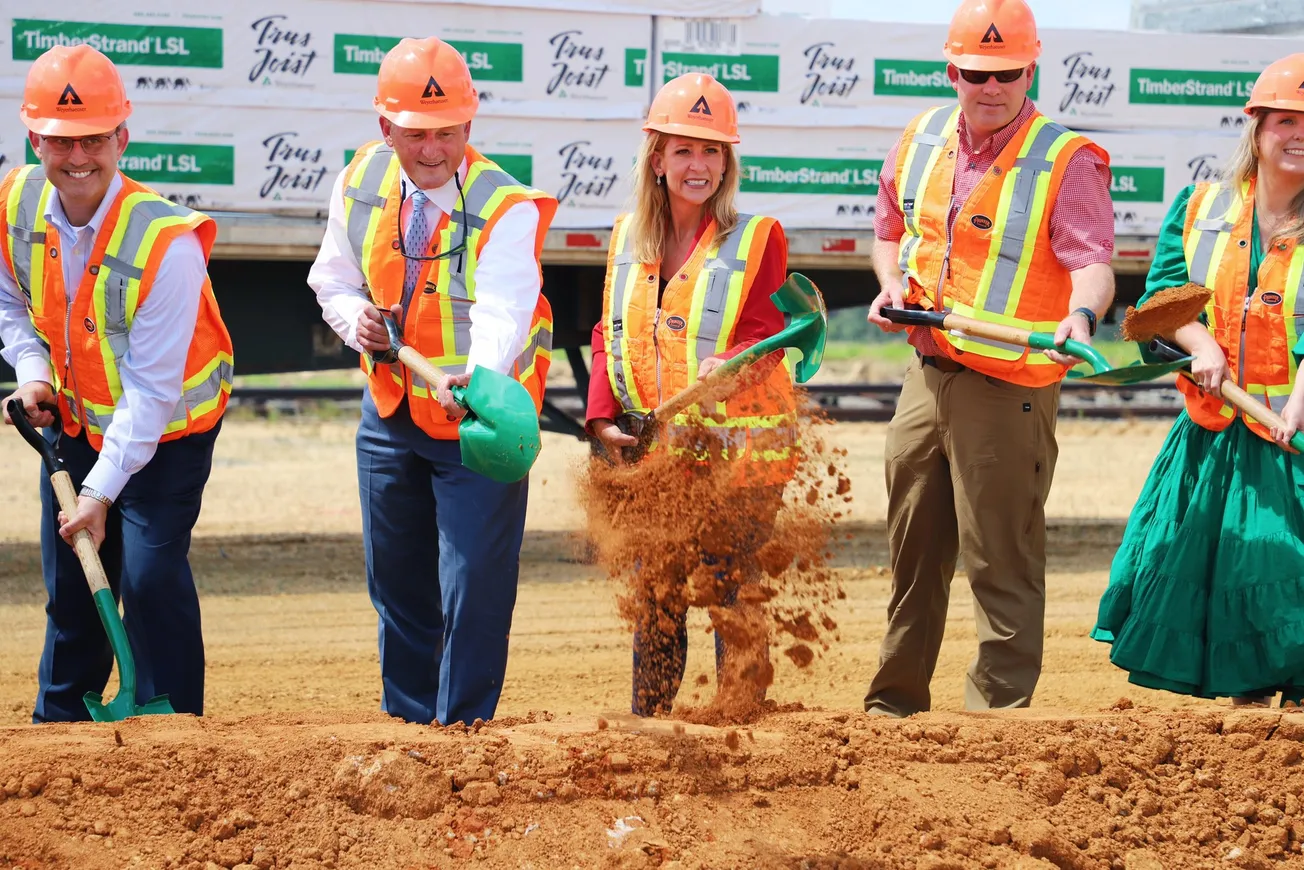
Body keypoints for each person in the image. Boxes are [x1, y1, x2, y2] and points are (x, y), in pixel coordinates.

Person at [862, 0, 1116, 716]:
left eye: (1007, 73)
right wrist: (889, 286)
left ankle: (995, 724)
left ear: (1030, 68)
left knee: (999, 560)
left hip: (1008, 386)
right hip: (927, 373)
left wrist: (1081, 314)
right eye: (977, 73)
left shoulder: (1066, 160)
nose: (991, 87)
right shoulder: (920, 138)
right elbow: (889, 231)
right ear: (953, 71)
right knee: (913, 552)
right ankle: (894, 704)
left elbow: (1092, 263)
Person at [307, 37, 557, 726]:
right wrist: (356, 317)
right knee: (397, 582)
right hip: (389, 413)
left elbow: (504, 310)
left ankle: (465, 730)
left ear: (469, 128)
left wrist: (473, 379)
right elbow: (331, 277)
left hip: (478, 422)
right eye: (416, 134)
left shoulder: (505, 206)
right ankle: (411, 725)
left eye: (447, 134)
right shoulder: (360, 180)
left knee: (473, 582)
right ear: (386, 128)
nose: (431, 150)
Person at [0, 45, 234, 722]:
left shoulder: (168, 242)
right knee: (72, 586)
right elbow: (13, 304)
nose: (79, 158)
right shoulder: (15, 202)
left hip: (168, 430)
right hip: (75, 422)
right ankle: (61, 726)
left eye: (95, 140)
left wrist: (100, 492)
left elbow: (153, 389)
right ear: (35, 138)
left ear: (122, 138)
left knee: (152, 577)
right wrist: (35, 374)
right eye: (62, 141)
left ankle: (177, 730)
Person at [1092, 54, 1304, 706]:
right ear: (1257, 127)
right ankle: (1246, 742)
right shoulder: (1201, 207)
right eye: (1287, 120)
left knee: (1282, 577)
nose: (1298, 135)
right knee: (1231, 591)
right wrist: (1200, 339)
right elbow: (1160, 299)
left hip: (1288, 443)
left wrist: (1299, 401)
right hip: (1213, 437)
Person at [586, 73, 798, 717]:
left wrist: (729, 362)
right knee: (657, 592)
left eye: (711, 152)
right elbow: (608, 330)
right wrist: (601, 418)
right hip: (659, 454)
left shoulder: (756, 237)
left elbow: (770, 333)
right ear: (657, 158)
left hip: (740, 458)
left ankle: (742, 726)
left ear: (727, 162)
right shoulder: (627, 237)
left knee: (730, 590)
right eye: (683, 150)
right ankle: (649, 727)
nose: (697, 165)